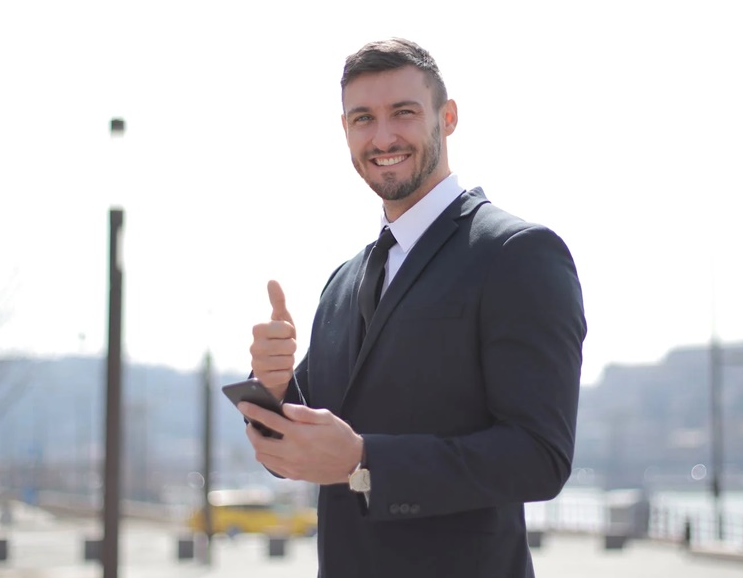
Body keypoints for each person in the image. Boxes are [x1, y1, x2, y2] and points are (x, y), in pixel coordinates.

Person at [240, 38, 587, 578]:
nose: (383, 137)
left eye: (403, 113)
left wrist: (364, 463)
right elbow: (299, 452)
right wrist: (273, 386)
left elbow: (539, 458)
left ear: (446, 118)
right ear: (345, 132)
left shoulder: (517, 254)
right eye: (363, 119)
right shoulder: (343, 280)